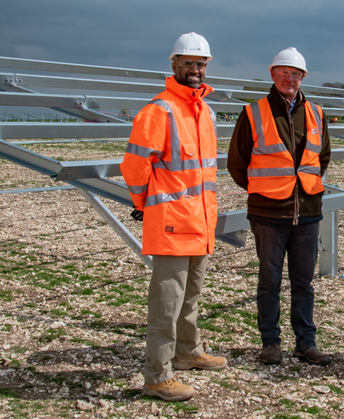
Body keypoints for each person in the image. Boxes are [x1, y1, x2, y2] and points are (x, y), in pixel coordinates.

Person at [120, 32, 227, 402]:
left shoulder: (206, 112)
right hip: (171, 223)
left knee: (191, 296)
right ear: (174, 65)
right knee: (166, 303)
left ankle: (187, 352)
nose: (195, 70)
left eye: (200, 64)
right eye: (188, 63)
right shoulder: (159, 110)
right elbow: (134, 167)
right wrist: (147, 202)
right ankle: (157, 375)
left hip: (200, 223)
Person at [227, 47, 332, 366]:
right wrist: (263, 190)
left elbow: (321, 157)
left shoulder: (316, 112)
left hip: (308, 213)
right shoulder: (254, 112)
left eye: (295, 73)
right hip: (268, 214)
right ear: (273, 74)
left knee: (304, 282)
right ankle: (270, 343)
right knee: (269, 280)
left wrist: (303, 189)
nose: (289, 78)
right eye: (283, 72)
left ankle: (306, 343)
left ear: (303, 77)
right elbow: (237, 163)